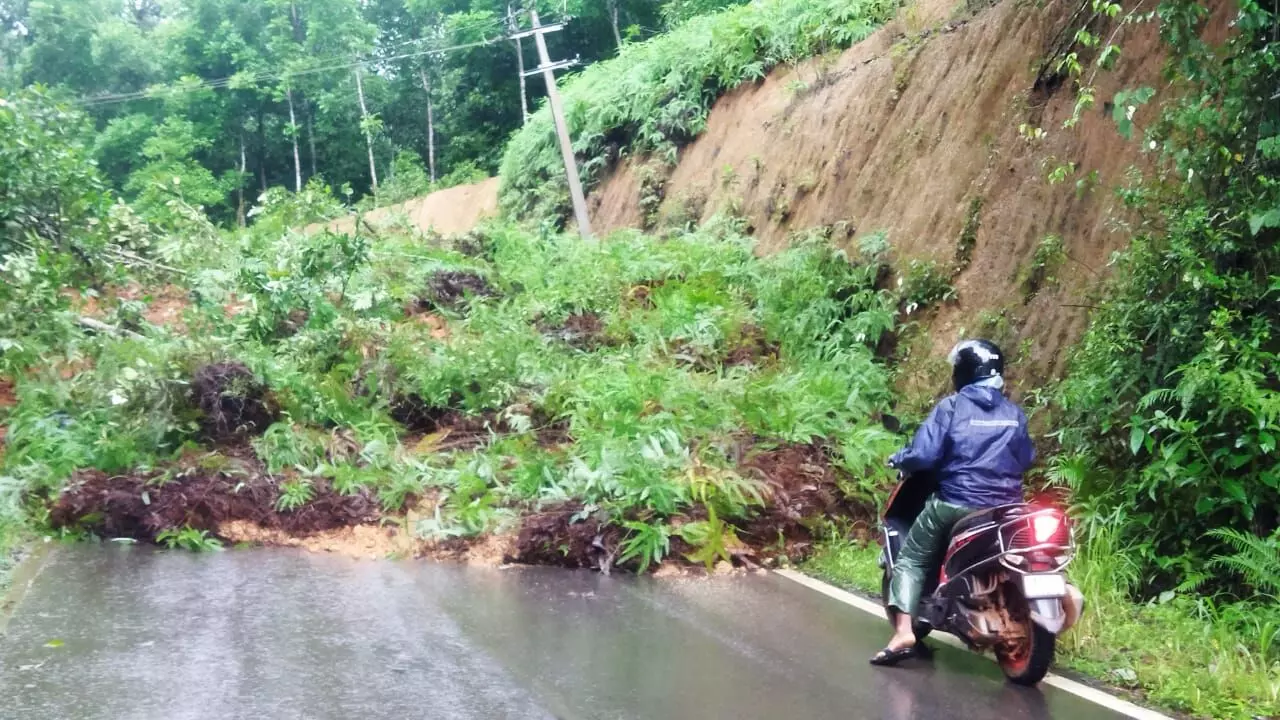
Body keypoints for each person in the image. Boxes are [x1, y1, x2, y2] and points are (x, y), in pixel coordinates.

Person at [869, 338, 1035, 666]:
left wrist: (899, 458)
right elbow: (1027, 458)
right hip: (1006, 510)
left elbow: (924, 454)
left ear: (963, 373)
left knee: (911, 559)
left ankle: (903, 632)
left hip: (958, 502)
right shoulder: (1014, 413)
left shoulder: (951, 407)